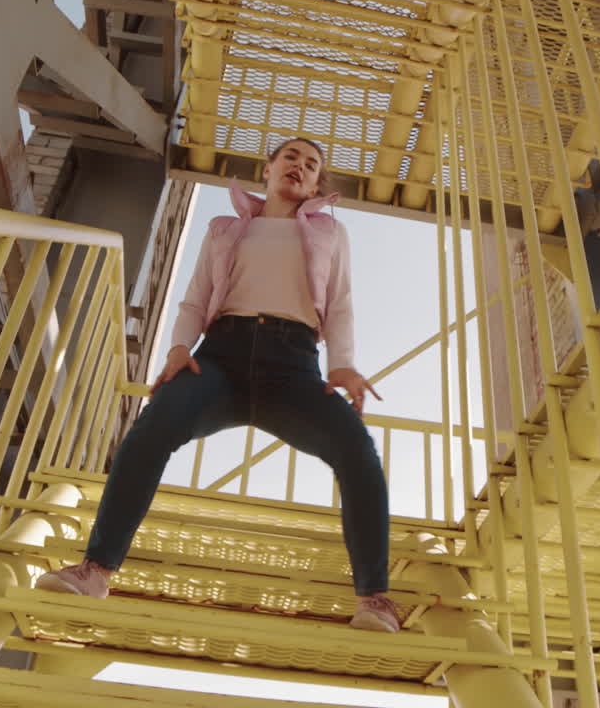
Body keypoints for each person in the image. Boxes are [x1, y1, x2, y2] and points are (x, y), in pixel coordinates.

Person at [36, 138, 400, 632]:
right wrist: (178, 349)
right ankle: (96, 569)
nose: (300, 167)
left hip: (293, 367)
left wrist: (343, 364)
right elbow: (195, 297)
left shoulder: (331, 233)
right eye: (290, 157)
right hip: (219, 359)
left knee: (358, 453)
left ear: (317, 185)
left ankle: (374, 599)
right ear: (268, 169)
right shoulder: (225, 228)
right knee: (150, 430)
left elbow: (340, 304)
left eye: (312, 166)